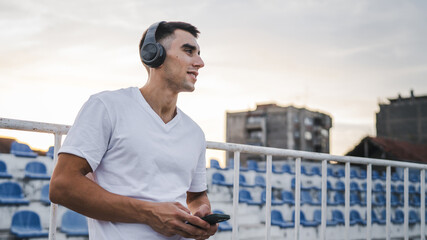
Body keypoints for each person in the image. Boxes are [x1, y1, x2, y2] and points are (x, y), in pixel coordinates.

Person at [50, 21, 217, 240]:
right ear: (153, 54)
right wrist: (149, 213)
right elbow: (62, 185)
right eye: (188, 51)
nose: (200, 62)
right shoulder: (107, 107)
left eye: (199, 53)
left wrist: (200, 214)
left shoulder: (195, 133)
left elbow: (196, 196)